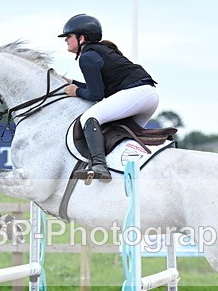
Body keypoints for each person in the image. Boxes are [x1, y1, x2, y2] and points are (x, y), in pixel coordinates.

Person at [59, 14, 159, 182]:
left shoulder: (87, 56)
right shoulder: (98, 51)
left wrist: (75, 91)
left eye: (68, 36)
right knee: (121, 138)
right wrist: (73, 83)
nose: (66, 40)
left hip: (135, 94)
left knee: (89, 117)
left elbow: (96, 95)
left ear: (81, 38)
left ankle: (99, 165)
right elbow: (100, 89)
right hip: (148, 96)